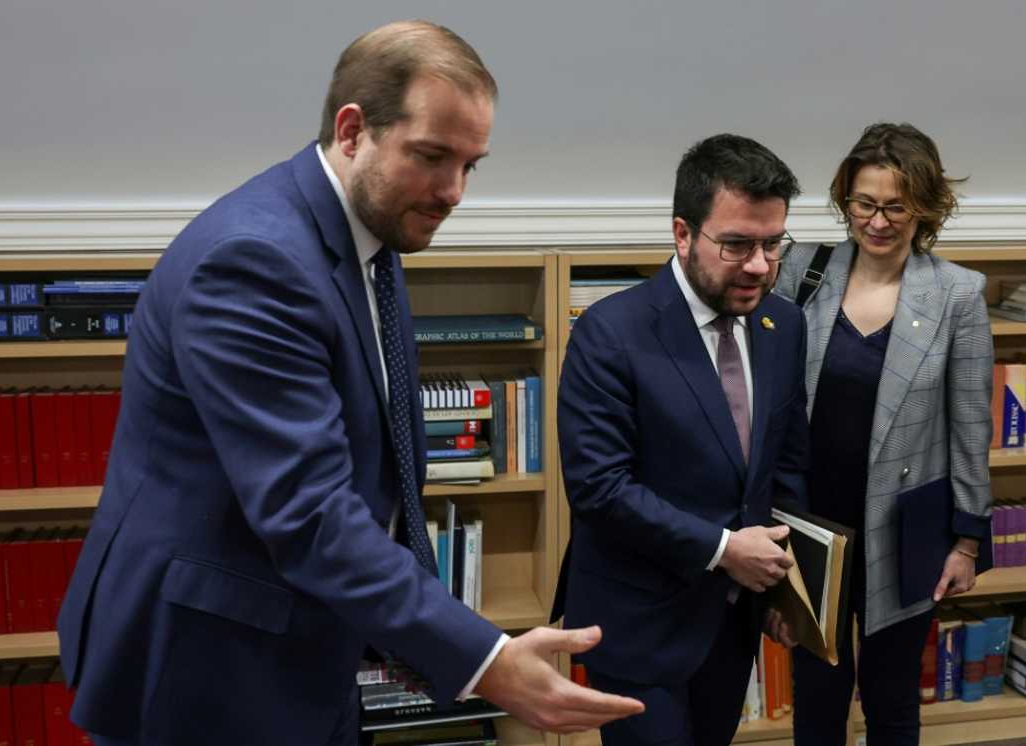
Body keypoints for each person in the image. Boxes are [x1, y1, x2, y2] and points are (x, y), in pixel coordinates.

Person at [57, 19, 643, 746]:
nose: (454, 191)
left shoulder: (372, 228)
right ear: (353, 129)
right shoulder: (255, 262)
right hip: (206, 665)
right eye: (432, 156)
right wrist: (484, 659)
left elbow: (380, 462)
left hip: (299, 644)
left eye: (471, 164)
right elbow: (309, 513)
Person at [551, 133, 809, 746]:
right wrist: (725, 549)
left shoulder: (783, 324)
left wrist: (786, 588)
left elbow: (788, 462)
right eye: (738, 244)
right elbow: (599, 488)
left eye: (774, 244)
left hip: (733, 617)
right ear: (683, 233)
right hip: (639, 620)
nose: (759, 265)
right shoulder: (611, 332)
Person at [774, 122, 993, 745]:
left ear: (925, 207)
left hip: (906, 529)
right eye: (863, 203)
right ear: (846, 200)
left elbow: (970, 428)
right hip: (812, 526)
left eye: (895, 206)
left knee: (892, 699)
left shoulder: (957, 294)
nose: (876, 221)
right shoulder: (802, 271)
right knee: (817, 696)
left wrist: (967, 544)